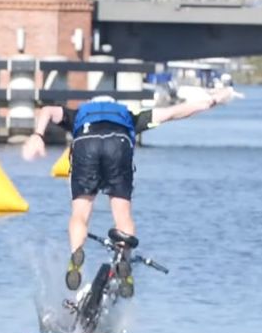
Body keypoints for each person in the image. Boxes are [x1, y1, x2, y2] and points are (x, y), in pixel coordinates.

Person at [21, 88, 235, 296]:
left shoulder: (78, 115)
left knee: (80, 212)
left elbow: (47, 110)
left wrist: (38, 135)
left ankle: (76, 253)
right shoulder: (129, 117)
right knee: (123, 215)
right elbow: (173, 112)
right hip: (118, 143)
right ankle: (124, 260)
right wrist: (211, 101)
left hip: (86, 144)